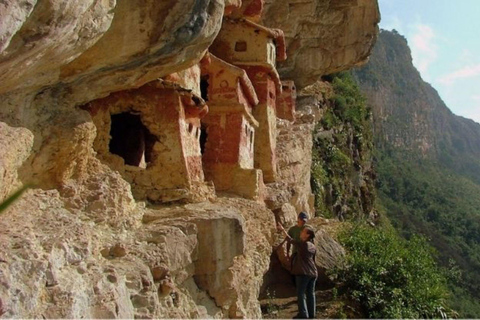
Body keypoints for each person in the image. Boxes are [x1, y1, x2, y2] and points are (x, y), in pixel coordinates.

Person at [278, 222, 317, 319]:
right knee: (310, 294)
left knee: (300, 293)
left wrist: (282, 230)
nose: (301, 232)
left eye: (303, 231)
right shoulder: (313, 246)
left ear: (307, 235)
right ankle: (312, 314)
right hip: (313, 273)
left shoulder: (304, 245)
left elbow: (290, 239)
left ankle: (303, 314)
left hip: (303, 273)